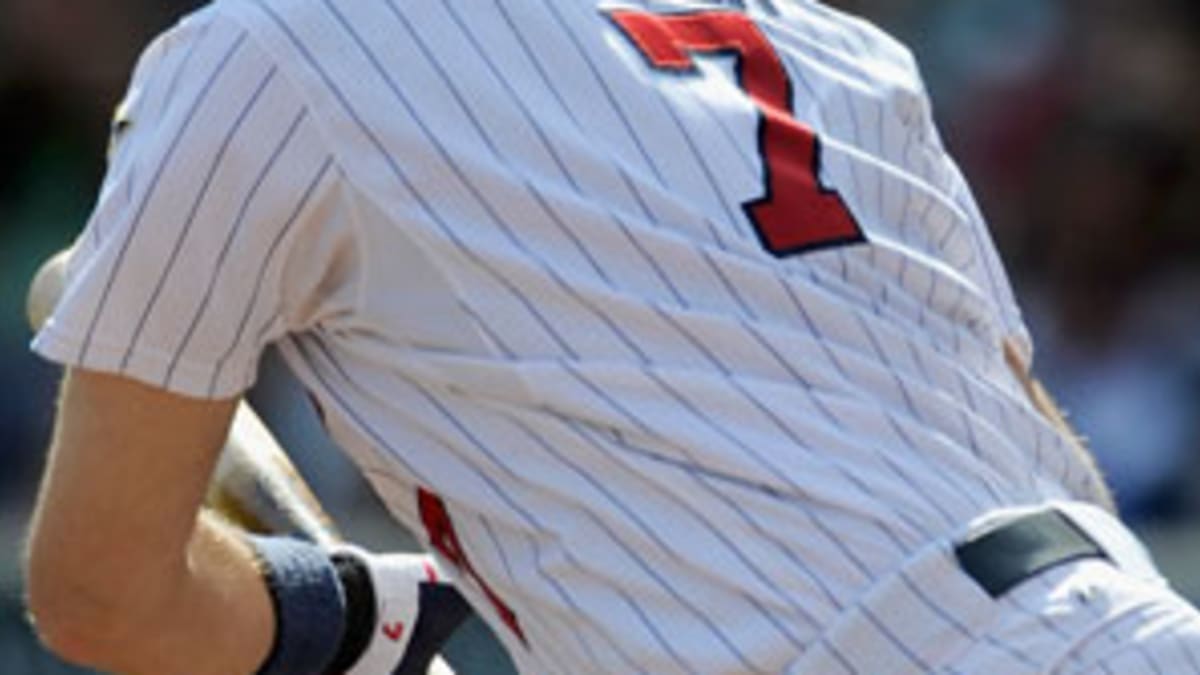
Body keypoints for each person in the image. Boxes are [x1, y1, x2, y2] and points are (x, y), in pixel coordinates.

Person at [23, 0, 1200, 673]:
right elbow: (1042, 450)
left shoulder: (269, 46)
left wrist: (341, 622)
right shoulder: (836, 47)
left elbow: (101, 593)